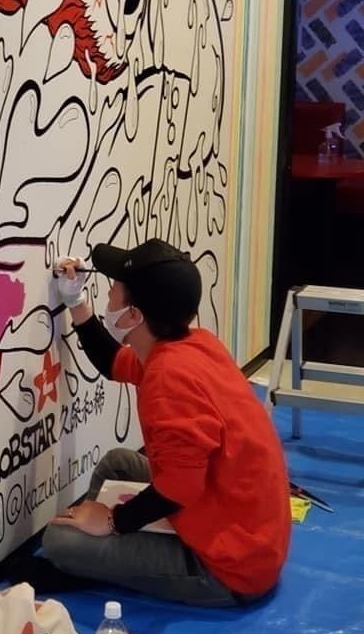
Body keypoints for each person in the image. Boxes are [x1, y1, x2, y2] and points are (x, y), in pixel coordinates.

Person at [41, 238, 291, 607]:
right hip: (243, 521)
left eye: (115, 288)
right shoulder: (192, 344)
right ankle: (93, 546)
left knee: (57, 542)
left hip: (229, 569)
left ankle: (90, 551)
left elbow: (179, 490)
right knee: (117, 463)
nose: (108, 292)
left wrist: (113, 521)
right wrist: (76, 302)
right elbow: (113, 363)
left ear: (134, 316)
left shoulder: (168, 380)